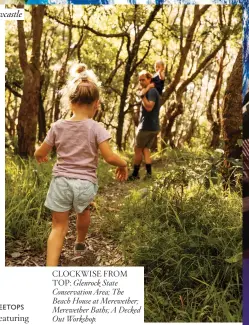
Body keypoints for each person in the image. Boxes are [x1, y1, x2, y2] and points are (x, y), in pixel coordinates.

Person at [34, 64, 128, 266]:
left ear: (70, 102)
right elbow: (109, 157)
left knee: (58, 226)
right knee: (83, 212)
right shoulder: (96, 128)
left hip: (60, 183)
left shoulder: (57, 126)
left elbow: (41, 151)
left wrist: (39, 155)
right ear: (96, 104)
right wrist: (124, 163)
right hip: (85, 184)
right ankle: (79, 243)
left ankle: (51, 269)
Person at [128, 70, 160, 181]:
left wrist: (143, 97)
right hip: (153, 127)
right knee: (146, 149)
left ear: (149, 79)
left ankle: (135, 174)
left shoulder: (151, 92)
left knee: (137, 149)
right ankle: (149, 174)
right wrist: (143, 93)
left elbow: (149, 107)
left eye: (143, 79)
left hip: (147, 127)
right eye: (140, 80)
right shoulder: (148, 90)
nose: (141, 82)